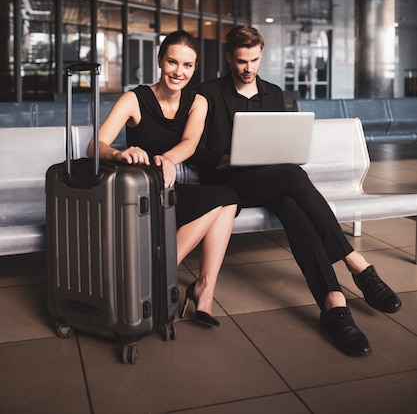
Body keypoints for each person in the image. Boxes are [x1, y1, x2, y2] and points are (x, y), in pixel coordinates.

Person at [192, 24, 401, 356]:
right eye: (242, 61)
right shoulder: (208, 92)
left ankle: (334, 306)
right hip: (228, 186)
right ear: (230, 57)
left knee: (292, 206)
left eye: (255, 60)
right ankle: (355, 262)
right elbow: (196, 150)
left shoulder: (273, 94)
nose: (249, 69)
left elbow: (282, 141)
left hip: (272, 180)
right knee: (291, 175)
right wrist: (227, 157)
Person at [87, 30, 239, 328]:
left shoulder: (198, 102)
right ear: (160, 61)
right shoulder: (134, 98)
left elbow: (190, 144)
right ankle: (165, 279)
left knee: (228, 198)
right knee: (223, 200)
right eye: (172, 62)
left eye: (187, 66)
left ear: (194, 69)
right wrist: (120, 154)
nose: (178, 72)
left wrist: (168, 159)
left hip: (169, 189)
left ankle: (202, 290)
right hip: (139, 196)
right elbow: (95, 146)